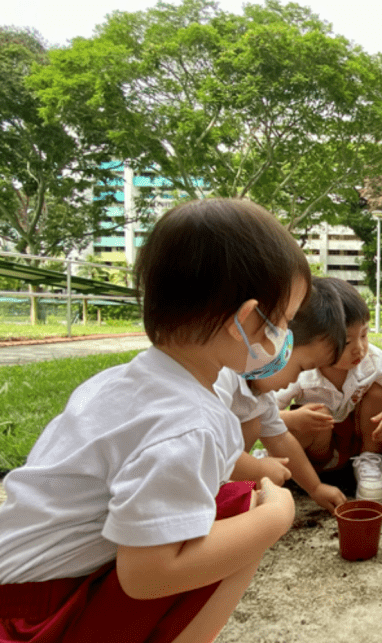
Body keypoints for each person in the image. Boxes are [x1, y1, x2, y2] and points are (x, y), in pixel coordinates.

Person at [0, 198, 308, 643]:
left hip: (20, 591)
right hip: (34, 617)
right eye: (281, 322)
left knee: (227, 504)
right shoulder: (187, 423)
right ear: (244, 320)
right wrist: (278, 518)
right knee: (249, 512)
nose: (284, 339)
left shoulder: (126, 382)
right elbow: (147, 577)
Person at [273, 277, 382, 504]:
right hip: (320, 449)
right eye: (347, 342)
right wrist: (293, 418)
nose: (359, 348)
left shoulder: (371, 359)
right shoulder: (301, 371)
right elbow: (263, 413)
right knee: (317, 412)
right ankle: (294, 467)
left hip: (355, 443)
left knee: (380, 390)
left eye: (364, 335)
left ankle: (370, 461)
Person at [215, 280, 348, 514]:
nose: (297, 379)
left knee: (253, 423)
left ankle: (220, 489)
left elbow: (280, 440)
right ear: (276, 341)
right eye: (302, 367)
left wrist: (315, 488)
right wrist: (257, 469)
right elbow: (210, 448)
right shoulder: (221, 376)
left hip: (204, 470)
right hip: (167, 484)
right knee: (276, 516)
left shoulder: (259, 394)